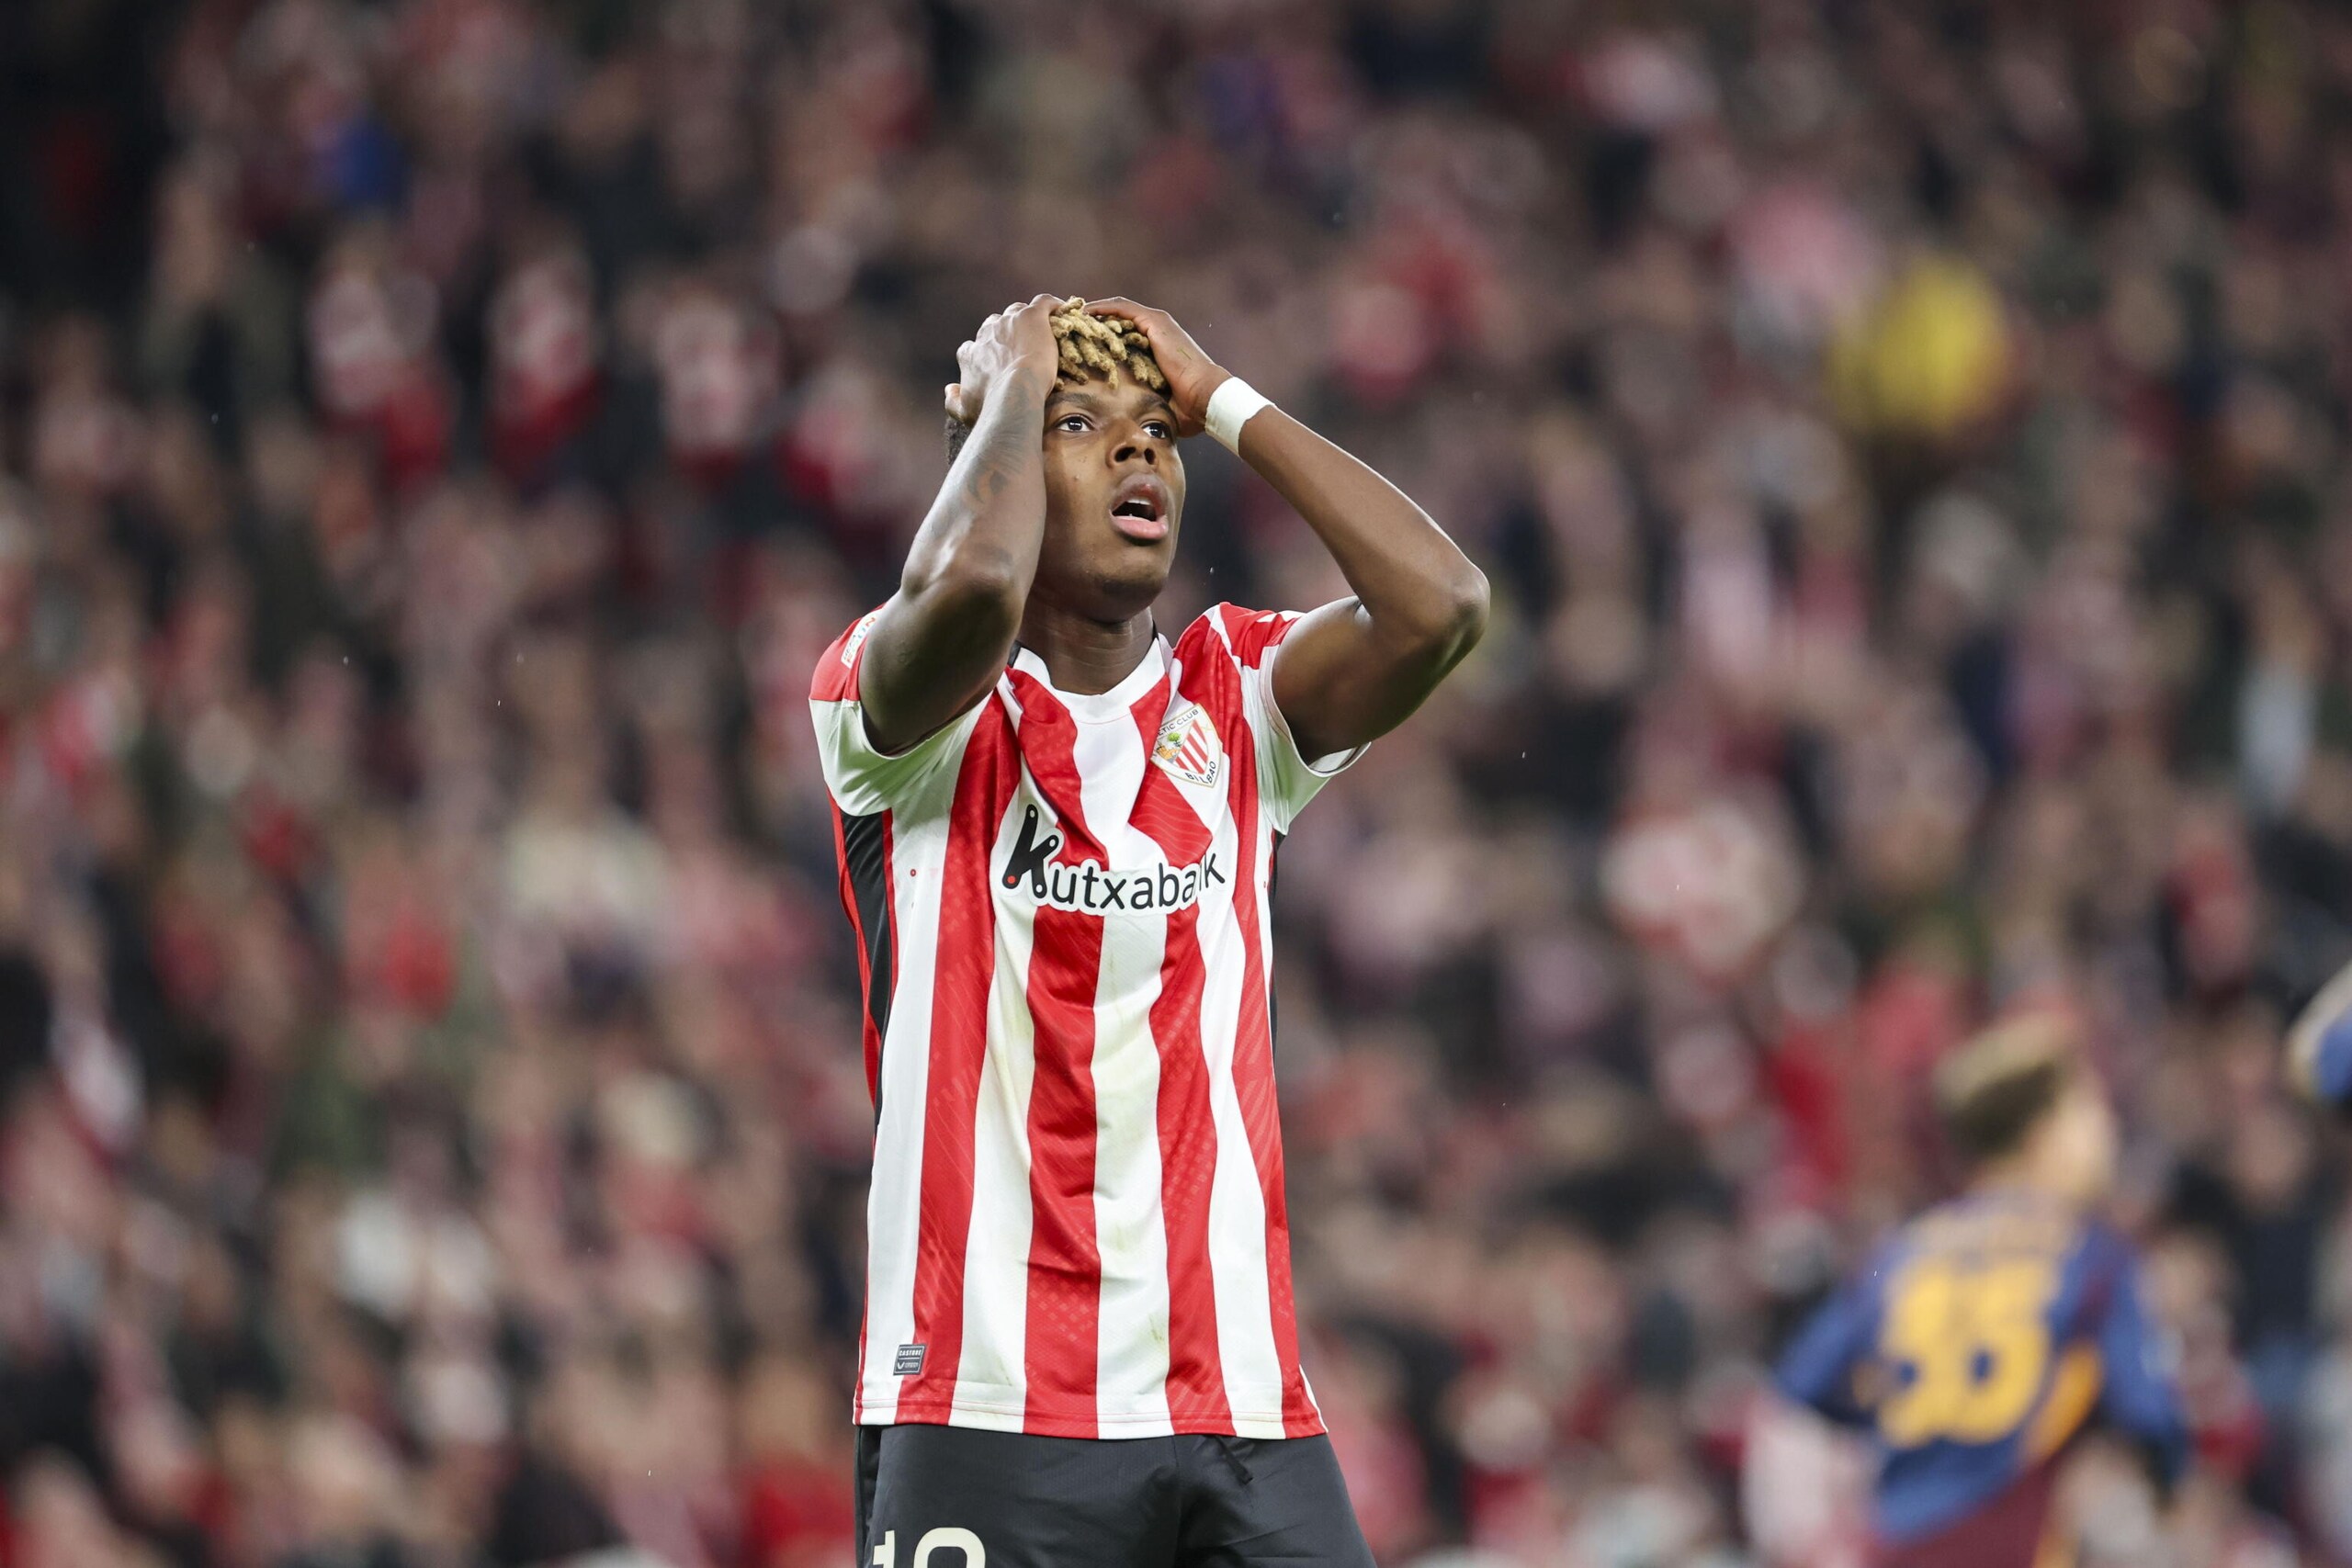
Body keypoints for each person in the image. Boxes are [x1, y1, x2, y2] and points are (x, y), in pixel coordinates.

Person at [808, 295, 1487, 1565]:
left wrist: (1223, 398)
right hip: (987, 1404)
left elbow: (1441, 604)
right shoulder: (905, 719)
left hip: (1237, 1409)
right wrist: (1011, 388)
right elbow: (975, 582)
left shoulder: (1239, 698)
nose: (1137, 451)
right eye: (1084, 426)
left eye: (1155, 435)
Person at [1772, 1017, 2189, 1568]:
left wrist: (1899, 1421)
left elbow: (1802, 1387)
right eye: (2089, 1111)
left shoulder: (1902, 1254)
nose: (2106, 1129)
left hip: (1896, 1546)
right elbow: (2152, 1422)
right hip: (2010, 1542)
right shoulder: (2093, 1259)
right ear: (2042, 1133)